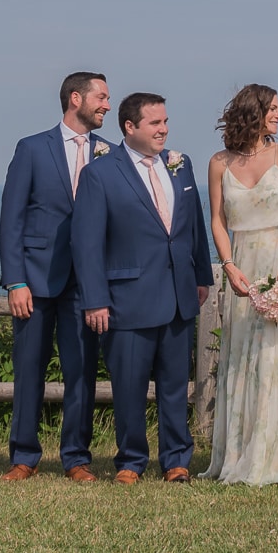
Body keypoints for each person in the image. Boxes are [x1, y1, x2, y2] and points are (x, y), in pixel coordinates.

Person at [72, 92, 215, 483]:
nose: (164, 129)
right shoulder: (100, 173)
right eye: (155, 123)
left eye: (165, 121)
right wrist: (95, 300)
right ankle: (131, 462)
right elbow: (87, 244)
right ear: (129, 127)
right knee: (130, 388)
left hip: (179, 295)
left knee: (174, 386)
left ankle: (177, 461)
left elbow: (194, 226)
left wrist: (202, 276)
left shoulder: (180, 165)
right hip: (126, 300)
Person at [0, 71, 116, 482]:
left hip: (85, 284)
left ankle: (77, 458)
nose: (107, 105)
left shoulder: (111, 153)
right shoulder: (31, 148)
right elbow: (11, 218)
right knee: (28, 368)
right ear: (75, 98)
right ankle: (23, 456)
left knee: (82, 370)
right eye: (101, 97)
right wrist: (15, 281)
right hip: (35, 279)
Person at [203, 83, 278, 485]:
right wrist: (229, 265)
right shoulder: (218, 162)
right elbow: (217, 219)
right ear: (254, 111)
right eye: (273, 109)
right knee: (245, 359)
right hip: (244, 266)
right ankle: (242, 450)